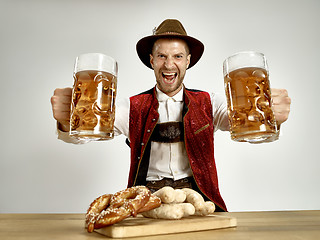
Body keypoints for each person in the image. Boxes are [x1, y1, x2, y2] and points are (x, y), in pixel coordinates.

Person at [51, 19, 291, 212]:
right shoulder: (131, 107)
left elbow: (246, 127)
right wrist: (65, 121)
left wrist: (271, 118)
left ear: (188, 61)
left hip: (199, 200)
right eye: (162, 56)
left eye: (177, 56)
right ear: (152, 61)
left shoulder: (210, 103)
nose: (169, 64)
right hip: (146, 202)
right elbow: (86, 134)